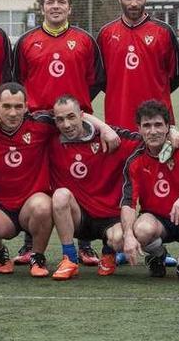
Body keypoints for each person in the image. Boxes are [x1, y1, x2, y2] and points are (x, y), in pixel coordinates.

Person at [13, 0, 105, 264]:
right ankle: (30, 242)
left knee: (81, 177)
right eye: (50, 2)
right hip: (39, 124)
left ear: (69, 7)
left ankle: (85, 243)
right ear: (42, 6)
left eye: (60, 2)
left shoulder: (85, 40)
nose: (55, 6)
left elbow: (97, 80)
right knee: (37, 181)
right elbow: (18, 81)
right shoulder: (27, 41)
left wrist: (73, 111)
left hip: (77, 124)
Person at [0, 83, 58, 277]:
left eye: (18, 107)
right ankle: (0, 253)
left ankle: (37, 256)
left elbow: (73, 113)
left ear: (27, 106)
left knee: (44, 206)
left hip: (30, 205)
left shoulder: (41, 124)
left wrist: (103, 127)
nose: (12, 113)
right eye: (6, 106)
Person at [48, 95, 139, 280]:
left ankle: (109, 253)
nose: (66, 124)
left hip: (111, 217)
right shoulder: (50, 140)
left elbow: (150, 139)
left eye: (71, 117)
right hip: (79, 217)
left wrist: (172, 133)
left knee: (119, 238)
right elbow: (21, 119)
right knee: (60, 195)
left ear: (82, 115)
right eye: (60, 119)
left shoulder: (111, 138)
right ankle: (70, 259)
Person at [120, 100, 179, 282]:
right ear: (139, 129)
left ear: (168, 127)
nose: (153, 131)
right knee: (141, 229)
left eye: (158, 125)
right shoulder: (135, 161)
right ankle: (158, 255)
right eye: (147, 125)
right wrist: (128, 235)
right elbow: (129, 203)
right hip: (157, 221)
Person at [97, 0, 179, 128]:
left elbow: (178, 75)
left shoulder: (164, 32)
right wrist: (122, 93)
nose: (134, 3)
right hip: (118, 119)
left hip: (156, 122)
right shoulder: (106, 34)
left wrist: (155, 92)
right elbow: (100, 78)